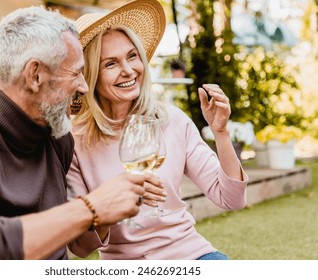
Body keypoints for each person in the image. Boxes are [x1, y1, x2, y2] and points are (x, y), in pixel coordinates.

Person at [0, 6, 164, 260]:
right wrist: (90, 208)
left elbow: (77, 244)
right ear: (35, 75)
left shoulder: (59, 141)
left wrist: (103, 210)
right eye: (75, 73)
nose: (85, 87)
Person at [67, 0, 249, 260]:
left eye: (132, 56)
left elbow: (232, 200)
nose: (128, 70)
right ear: (90, 75)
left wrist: (221, 133)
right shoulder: (74, 141)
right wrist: (113, 202)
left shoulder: (171, 120)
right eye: (111, 64)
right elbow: (82, 247)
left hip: (191, 255)